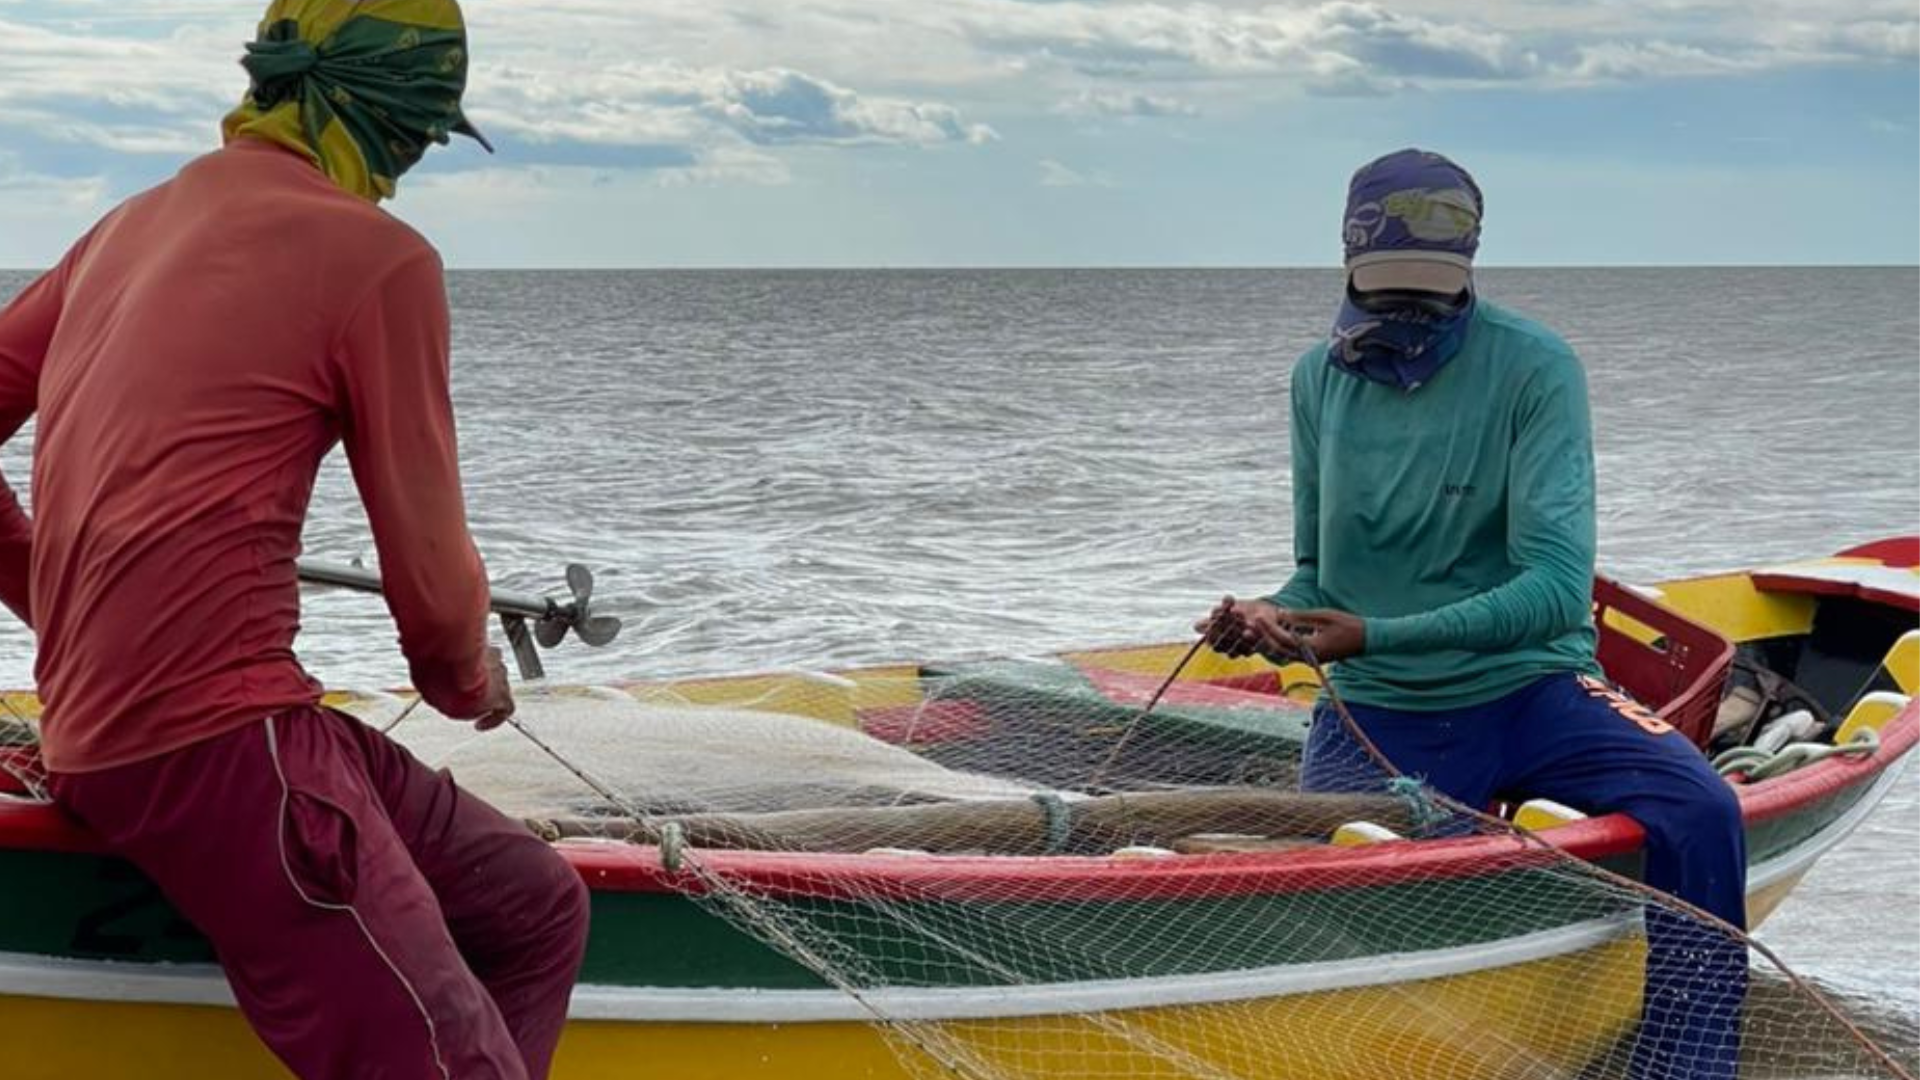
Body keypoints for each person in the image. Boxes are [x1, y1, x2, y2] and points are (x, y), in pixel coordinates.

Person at [0, 3, 589, 1077]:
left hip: (94, 738)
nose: (403, 172)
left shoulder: (129, 228)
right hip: (225, 753)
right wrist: (471, 683)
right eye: (413, 138)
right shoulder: (380, 259)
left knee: (537, 909)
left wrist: (59, 605)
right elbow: (433, 593)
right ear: (379, 117)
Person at [1197, 148, 1748, 1079]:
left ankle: (1685, 1066)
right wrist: (1269, 618)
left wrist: (1377, 632)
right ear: (1348, 263)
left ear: (1468, 270)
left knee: (1702, 807)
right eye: (1389, 291)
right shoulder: (1315, 381)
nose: (1408, 315)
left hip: (1531, 690)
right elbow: (1314, 575)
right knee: (1384, 889)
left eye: (1429, 292)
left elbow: (1556, 590)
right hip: (1379, 712)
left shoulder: (1536, 368)